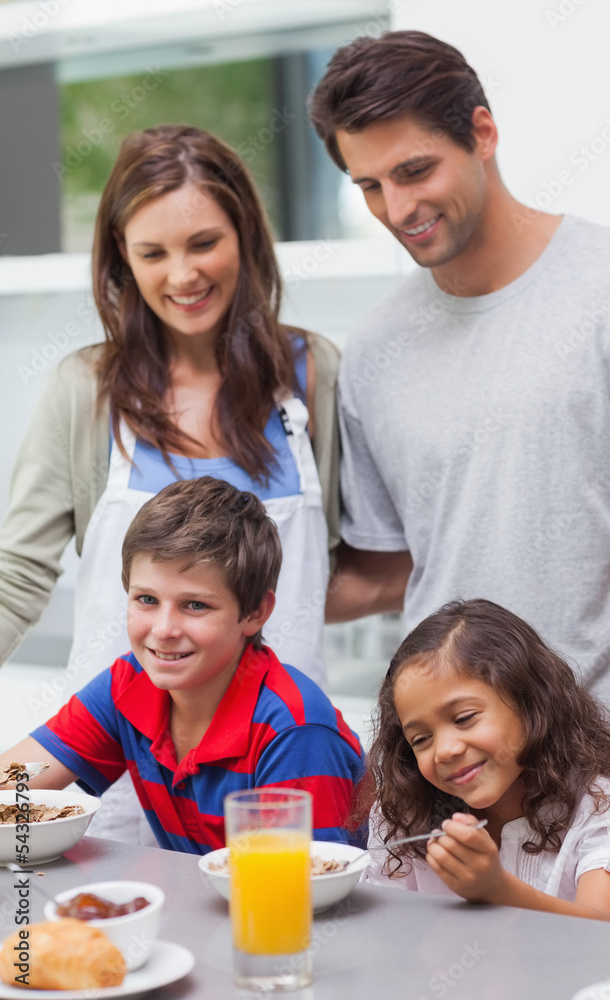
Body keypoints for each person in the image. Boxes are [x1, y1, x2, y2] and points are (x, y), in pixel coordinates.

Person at [309, 34, 610, 821]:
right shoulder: (373, 348)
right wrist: (205, 600)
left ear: (481, 132)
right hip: (454, 800)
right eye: (368, 185)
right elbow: (386, 570)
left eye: (414, 171)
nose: (397, 210)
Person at [0, 125, 339, 841]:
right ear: (121, 257)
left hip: (275, 766)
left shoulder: (315, 376)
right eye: (153, 252)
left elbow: (351, 562)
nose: (182, 275)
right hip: (119, 779)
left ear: (245, 235)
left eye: (203, 243)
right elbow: (16, 575)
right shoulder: (86, 389)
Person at [0, 477, 365, 852]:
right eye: (146, 599)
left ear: (255, 613)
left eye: (195, 605)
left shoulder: (295, 732)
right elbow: (12, 783)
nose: (164, 630)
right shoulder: (128, 684)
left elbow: (303, 893)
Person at [361, 599, 610, 920]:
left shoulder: (604, 807)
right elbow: (387, 928)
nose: (445, 750)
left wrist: (497, 890)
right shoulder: (405, 813)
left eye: (464, 718)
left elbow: (601, 929)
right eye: (421, 740)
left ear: (530, 703)